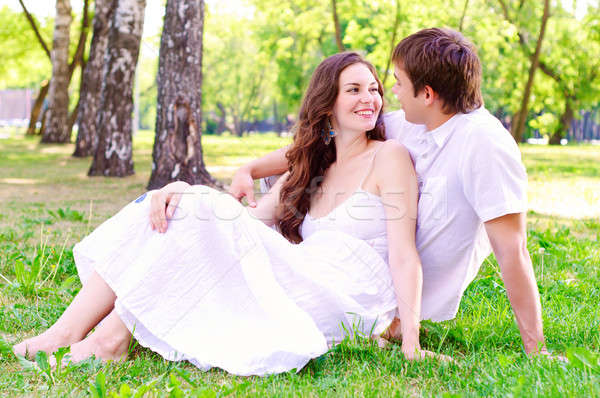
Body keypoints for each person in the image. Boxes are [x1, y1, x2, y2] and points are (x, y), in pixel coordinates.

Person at [13, 53, 445, 376]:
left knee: (193, 209)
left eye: (374, 89)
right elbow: (242, 224)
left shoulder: (389, 157)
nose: (369, 98)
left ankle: (108, 338)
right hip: (302, 272)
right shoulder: (311, 167)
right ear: (328, 103)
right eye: (354, 90)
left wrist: (410, 338)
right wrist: (182, 191)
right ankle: (67, 333)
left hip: (351, 291)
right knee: (175, 208)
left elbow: (404, 254)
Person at [230, 28, 555, 357]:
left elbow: (514, 251)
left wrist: (536, 348)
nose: (390, 93)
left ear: (427, 94)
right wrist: (251, 169)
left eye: (398, 82)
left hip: (379, 291)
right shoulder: (410, 121)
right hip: (352, 279)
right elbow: (326, 134)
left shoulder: (486, 146)